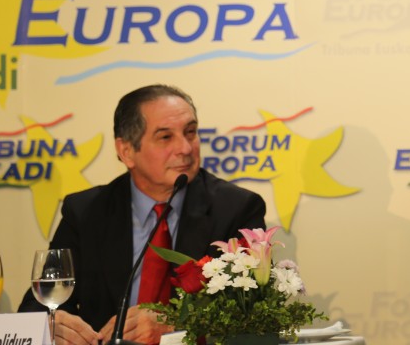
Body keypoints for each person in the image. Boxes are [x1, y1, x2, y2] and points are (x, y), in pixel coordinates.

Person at [19, 84, 267, 345]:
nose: (185, 148)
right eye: (165, 137)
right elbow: (37, 306)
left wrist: (175, 324)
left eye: (190, 132)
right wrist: (51, 325)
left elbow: (255, 313)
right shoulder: (86, 212)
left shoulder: (237, 209)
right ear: (126, 151)